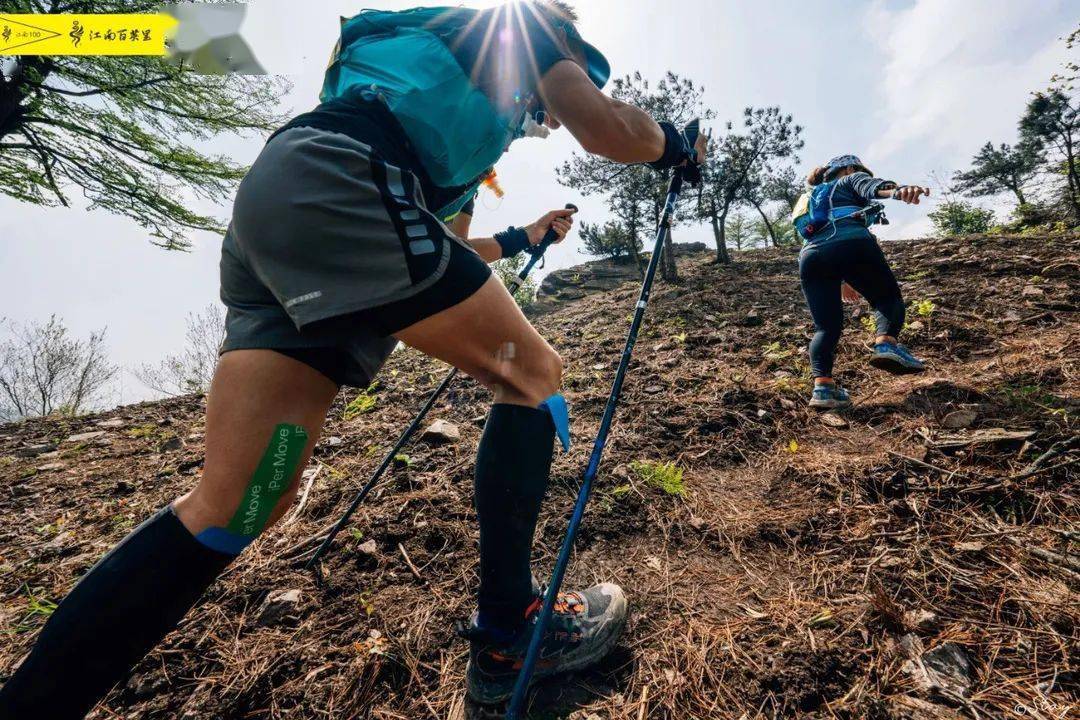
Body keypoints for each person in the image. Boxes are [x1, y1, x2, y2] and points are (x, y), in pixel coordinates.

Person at [0, 2, 707, 716]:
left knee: (239, 505)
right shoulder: (531, 24)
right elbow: (609, 130)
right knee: (533, 375)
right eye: (575, 80)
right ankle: (507, 635)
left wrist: (524, 240)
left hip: (286, 204)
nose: (550, 117)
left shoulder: (443, 111)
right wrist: (673, 142)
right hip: (351, 186)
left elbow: (445, 249)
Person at [794, 155, 929, 409]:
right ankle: (886, 344)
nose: (861, 173)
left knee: (826, 328)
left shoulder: (810, 197)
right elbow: (872, 187)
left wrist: (842, 278)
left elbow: (819, 236)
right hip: (852, 243)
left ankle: (823, 388)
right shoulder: (850, 178)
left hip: (811, 257)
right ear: (847, 169)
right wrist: (899, 191)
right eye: (860, 170)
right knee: (886, 299)